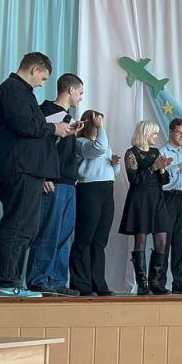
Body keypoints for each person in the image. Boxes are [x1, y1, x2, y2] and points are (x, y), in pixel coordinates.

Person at [0, 52, 74, 297]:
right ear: (34, 69)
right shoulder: (14, 90)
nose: (42, 83)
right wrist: (53, 128)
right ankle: (6, 283)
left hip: (26, 169)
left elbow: (30, 125)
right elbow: (25, 124)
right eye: (43, 78)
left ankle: (12, 281)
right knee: (18, 225)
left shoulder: (22, 93)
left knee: (26, 226)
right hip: (19, 169)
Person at [25, 73, 84, 297]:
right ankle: (38, 280)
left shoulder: (69, 118)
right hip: (53, 182)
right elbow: (37, 148)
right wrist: (43, 176)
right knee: (48, 231)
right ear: (70, 90)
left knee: (63, 233)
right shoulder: (45, 113)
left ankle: (56, 280)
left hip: (68, 182)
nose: (80, 97)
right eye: (80, 92)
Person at [118, 121, 173, 295]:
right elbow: (134, 179)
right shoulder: (131, 153)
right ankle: (142, 284)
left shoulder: (156, 152)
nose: (156, 136)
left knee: (162, 240)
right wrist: (153, 167)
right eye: (154, 133)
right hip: (140, 201)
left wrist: (162, 169)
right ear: (145, 133)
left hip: (157, 199)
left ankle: (155, 281)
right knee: (140, 240)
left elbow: (165, 180)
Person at [70, 110, 120, 297]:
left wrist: (115, 163)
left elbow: (114, 172)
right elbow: (98, 149)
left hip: (106, 188)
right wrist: (101, 129)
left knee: (100, 240)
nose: (101, 124)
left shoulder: (103, 143)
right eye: (98, 121)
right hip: (89, 189)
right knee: (85, 237)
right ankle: (81, 283)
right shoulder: (81, 143)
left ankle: (98, 283)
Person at [157, 118, 182, 294]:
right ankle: (159, 281)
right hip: (167, 198)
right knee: (164, 242)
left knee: (180, 242)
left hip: (181, 198)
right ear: (171, 132)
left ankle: (178, 282)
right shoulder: (162, 153)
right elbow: (161, 182)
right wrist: (177, 168)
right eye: (179, 133)